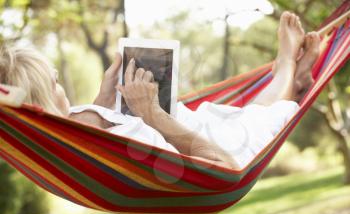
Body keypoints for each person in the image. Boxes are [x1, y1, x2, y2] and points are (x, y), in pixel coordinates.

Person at [0, 12, 320, 169]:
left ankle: (291, 80)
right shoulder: (75, 142)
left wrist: (104, 96)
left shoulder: (67, 129)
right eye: (53, 81)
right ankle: (288, 69)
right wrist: (151, 113)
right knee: (256, 122)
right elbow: (227, 167)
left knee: (243, 116)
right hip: (210, 152)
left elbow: (98, 131)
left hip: (195, 127)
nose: (60, 86)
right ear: (42, 98)